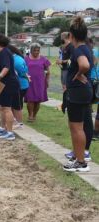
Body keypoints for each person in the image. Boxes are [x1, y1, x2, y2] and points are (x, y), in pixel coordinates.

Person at [63, 17, 93, 172]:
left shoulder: (79, 49)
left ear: (71, 35)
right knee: (76, 127)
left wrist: (78, 75)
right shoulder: (86, 47)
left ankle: (81, 162)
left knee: (77, 128)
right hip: (81, 92)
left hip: (78, 92)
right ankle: (78, 157)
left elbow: (85, 65)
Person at [0, 34, 20, 141]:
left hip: (8, 83)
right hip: (3, 83)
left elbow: (6, 67)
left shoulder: (4, 52)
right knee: (2, 107)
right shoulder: (3, 52)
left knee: (7, 108)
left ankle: (10, 132)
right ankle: (3, 128)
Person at [24, 43, 51, 122]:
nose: (36, 52)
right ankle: (30, 115)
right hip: (29, 82)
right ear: (31, 50)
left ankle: (35, 115)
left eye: (38, 50)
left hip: (40, 82)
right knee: (30, 99)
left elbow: (48, 72)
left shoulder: (44, 59)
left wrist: (47, 81)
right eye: (34, 50)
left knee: (38, 100)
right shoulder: (25, 59)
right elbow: (22, 69)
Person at [8, 45, 30, 129]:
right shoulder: (17, 58)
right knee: (16, 103)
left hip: (20, 85)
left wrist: (26, 76)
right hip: (21, 84)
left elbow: (22, 72)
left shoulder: (16, 60)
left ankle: (19, 123)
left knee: (17, 104)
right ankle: (15, 120)